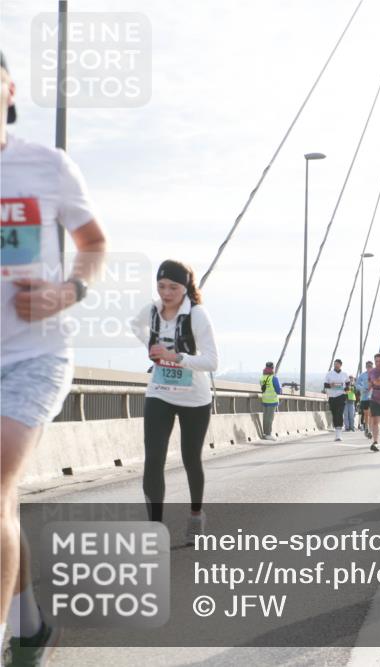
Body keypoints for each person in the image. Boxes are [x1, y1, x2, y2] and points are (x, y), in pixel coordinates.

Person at [1, 49, 107, 664]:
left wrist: (67, 291)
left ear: (9, 89)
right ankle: (30, 622)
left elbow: (93, 243)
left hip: (33, 357)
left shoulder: (46, 166)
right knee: (4, 497)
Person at [130, 260, 219, 542]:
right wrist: (151, 348)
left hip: (194, 397)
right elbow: (135, 325)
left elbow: (212, 361)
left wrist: (176, 357)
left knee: (191, 458)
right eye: (161, 286)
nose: (166, 293)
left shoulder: (197, 315)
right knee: (153, 459)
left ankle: (195, 514)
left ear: (185, 288)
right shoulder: (153, 310)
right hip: (160, 391)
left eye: (173, 287)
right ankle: (155, 527)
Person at [323, 358, 349, 441]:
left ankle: (339, 434)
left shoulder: (345, 374)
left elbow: (348, 385)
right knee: (334, 414)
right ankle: (336, 431)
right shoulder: (329, 374)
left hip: (341, 396)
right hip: (332, 397)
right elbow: (325, 385)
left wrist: (346, 391)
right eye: (335, 364)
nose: (336, 365)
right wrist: (332, 385)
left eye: (337, 364)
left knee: (339, 413)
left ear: (341, 365)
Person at [260, 361, 281, 441]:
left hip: (264, 399)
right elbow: (278, 391)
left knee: (265, 417)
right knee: (270, 418)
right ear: (272, 368)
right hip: (272, 400)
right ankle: (268, 434)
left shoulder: (262, 377)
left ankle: (265, 433)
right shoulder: (274, 378)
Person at [356, 360, 373, 437]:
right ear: (366, 367)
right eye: (368, 366)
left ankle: (370, 429)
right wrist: (362, 388)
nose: (369, 367)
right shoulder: (362, 375)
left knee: (371, 413)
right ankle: (366, 428)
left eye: (370, 366)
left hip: (373, 397)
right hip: (364, 397)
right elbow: (357, 384)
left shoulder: (375, 375)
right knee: (366, 414)